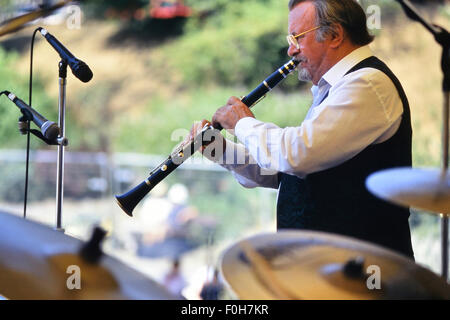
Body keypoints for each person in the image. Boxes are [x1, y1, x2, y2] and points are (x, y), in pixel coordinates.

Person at [187, 0, 414, 259]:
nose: (290, 50)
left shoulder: (367, 84)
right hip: (324, 266)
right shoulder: (334, 88)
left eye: (297, 37)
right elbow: (290, 174)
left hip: (361, 273)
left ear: (335, 35)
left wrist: (242, 123)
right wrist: (222, 151)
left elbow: (298, 154)